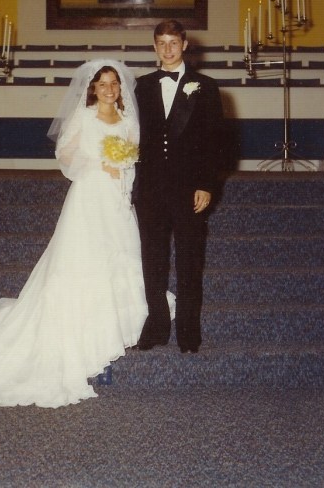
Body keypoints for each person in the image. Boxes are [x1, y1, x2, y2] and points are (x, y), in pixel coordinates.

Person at [0, 60, 148, 408]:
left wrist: (122, 176)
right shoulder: (85, 117)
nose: (109, 89)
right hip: (89, 198)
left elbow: (132, 160)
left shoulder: (128, 121)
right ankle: (88, 344)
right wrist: (99, 164)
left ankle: (112, 338)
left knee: (119, 261)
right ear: (93, 88)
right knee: (84, 265)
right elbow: (66, 156)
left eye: (114, 83)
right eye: (102, 83)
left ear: (121, 88)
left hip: (117, 200)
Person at [133, 20, 224, 354]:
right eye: (161, 43)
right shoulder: (140, 86)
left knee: (189, 261)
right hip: (151, 190)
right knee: (152, 260)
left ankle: (188, 331)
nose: (168, 49)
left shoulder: (206, 87)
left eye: (173, 42)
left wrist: (206, 185)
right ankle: (156, 325)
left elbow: (216, 143)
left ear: (185, 45)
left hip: (189, 190)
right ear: (154, 46)